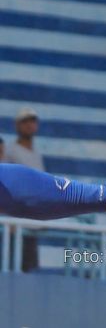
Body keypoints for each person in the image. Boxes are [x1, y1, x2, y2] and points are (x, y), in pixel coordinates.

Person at [4, 107, 45, 271]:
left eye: (32, 121)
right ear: (17, 126)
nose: (29, 125)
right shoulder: (10, 151)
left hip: (33, 219)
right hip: (15, 220)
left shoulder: (37, 154)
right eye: (25, 122)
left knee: (29, 266)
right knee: (11, 264)